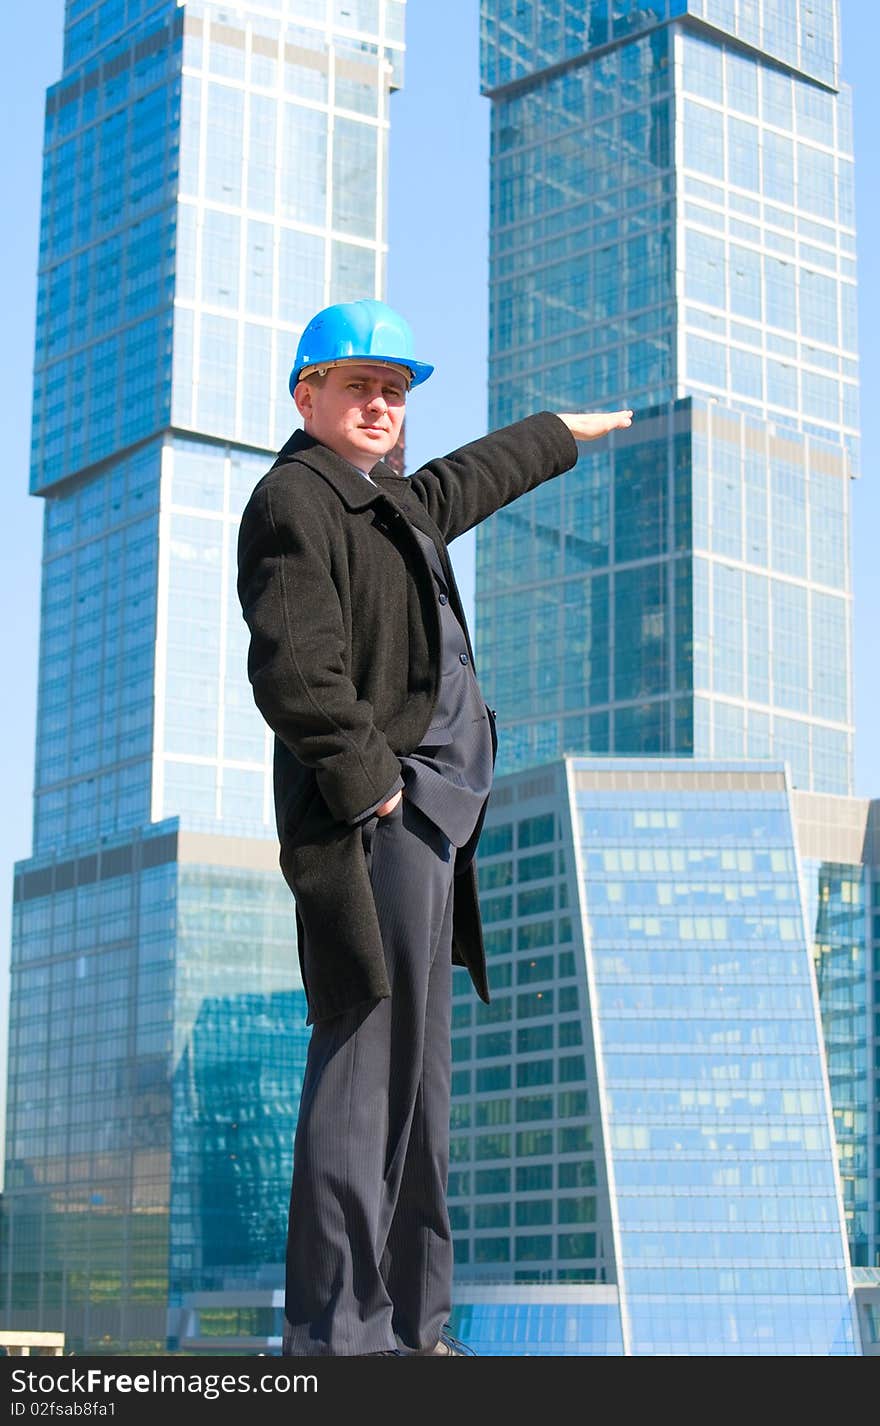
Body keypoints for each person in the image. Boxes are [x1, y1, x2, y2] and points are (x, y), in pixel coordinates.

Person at [236, 299, 632, 1357]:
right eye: (359, 384)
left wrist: (556, 431)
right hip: (381, 820)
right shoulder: (294, 501)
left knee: (420, 1096)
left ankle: (416, 1325)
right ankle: (338, 1339)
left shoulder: (392, 504)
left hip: (435, 826)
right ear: (305, 395)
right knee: (365, 1079)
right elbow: (294, 669)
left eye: (396, 390)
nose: (380, 404)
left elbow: (468, 481)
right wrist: (375, 788)